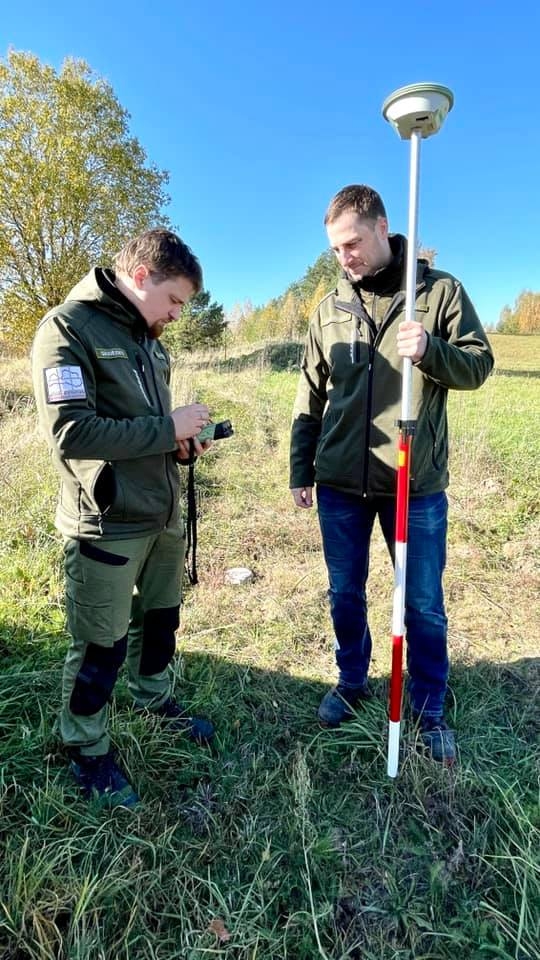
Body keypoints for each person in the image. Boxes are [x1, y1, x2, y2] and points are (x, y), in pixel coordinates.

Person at [290, 185, 494, 763]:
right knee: (344, 593)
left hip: (414, 482)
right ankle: (351, 680)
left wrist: (430, 350)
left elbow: (479, 365)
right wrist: (300, 468)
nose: (345, 257)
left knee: (422, 602)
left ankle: (429, 706)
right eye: (335, 249)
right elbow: (310, 395)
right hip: (339, 485)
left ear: (383, 227)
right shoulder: (329, 309)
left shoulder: (437, 291)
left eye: (352, 243)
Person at [32, 229, 216, 807]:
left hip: (161, 513)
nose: (178, 314)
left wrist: (180, 443)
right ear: (141, 277)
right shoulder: (67, 329)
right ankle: (85, 747)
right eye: (174, 300)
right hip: (107, 522)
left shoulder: (150, 341)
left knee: (160, 622)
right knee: (99, 645)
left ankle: (153, 697)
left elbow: (146, 428)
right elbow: (70, 432)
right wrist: (167, 427)